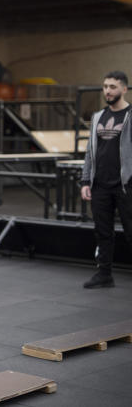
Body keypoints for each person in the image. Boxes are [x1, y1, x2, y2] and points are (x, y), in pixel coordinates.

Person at [80, 70, 132, 289]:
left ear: (124, 89)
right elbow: (90, 152)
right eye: (105, 87)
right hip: (100, 185)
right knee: (103, 231)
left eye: (112, 87)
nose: (108, 91)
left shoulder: (130, 115)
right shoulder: (98, 117)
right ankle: (104, 274)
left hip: (126, 185)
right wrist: (85, 181)